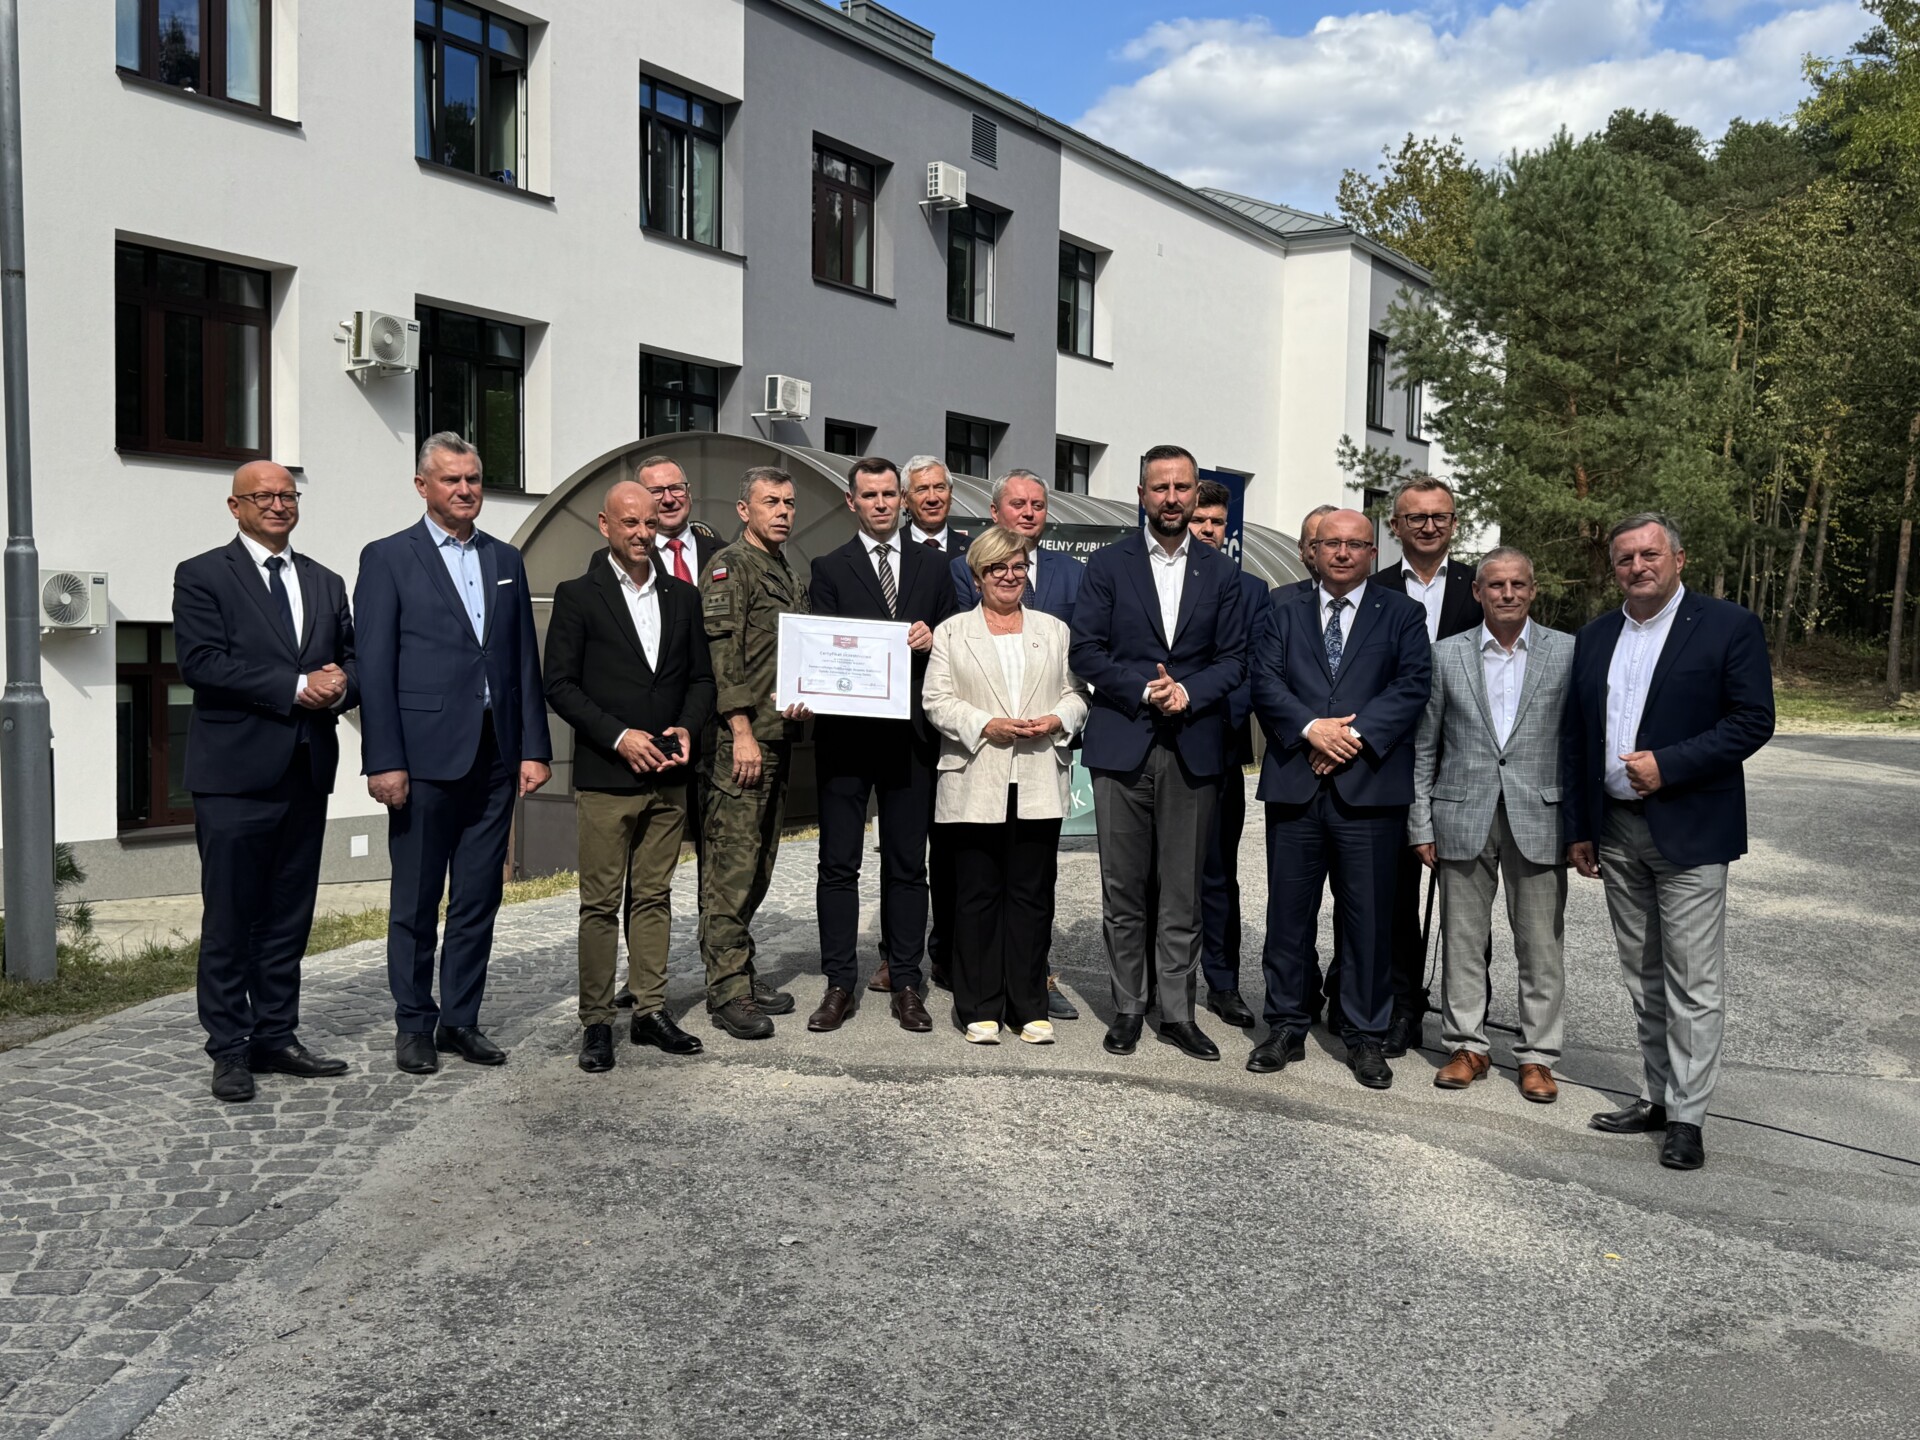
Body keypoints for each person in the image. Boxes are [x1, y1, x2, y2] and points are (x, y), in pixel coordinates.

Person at [1564, 512, 1774, 1171]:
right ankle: (1656, 1096)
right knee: (1643, 974)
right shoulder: (1596, 636)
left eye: (1649, 555)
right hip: (1616, 831)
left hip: (1690, 828)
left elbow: (1752, 721)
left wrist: (1670, 765)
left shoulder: (1728, 626)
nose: (1638, 567)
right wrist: (1580, 827)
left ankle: (1688, 1117)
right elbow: (1577, 735)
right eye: (1625, 558)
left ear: (1679, 560)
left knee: (1693, 980)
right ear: (1614, 569)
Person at [355, 433, 552, 1075]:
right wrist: (383, 760)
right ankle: (414, 1023)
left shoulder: (505, 557)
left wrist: (533, 747)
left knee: (477, 898)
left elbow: (521, 659)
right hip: (421, 761)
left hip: (495, 756)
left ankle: (460, 1020)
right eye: (451, 480)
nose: (465, 490)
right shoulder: (388, 558)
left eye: (473, 479)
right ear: (423, 487)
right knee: (416, 902)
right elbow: (374, 668)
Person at [172, 462, 357, 1103]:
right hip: (233, 777)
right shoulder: (202, 575)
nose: (279, 505)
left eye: (287, 494)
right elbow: (200, 663)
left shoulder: (325, 580)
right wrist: (296, 686)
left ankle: (276, 1035)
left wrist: (341, 685)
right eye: (264, 496)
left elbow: (352, 660)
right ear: (235, 506)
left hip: (305, 771)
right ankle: (229, 1048)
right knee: (231, 917)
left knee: (287, 917)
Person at [1069, 444, 1247, 1063]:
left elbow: (1234, 659)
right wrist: (1147, 689)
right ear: (1141, 494)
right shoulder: (1107, 565)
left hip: (1193, 745)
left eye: (1182, 487)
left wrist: (1188, 692)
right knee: (1122, 889)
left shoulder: (1222, 572)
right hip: (1123, 740)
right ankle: (1128, 1007)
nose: (1171, 498)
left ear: (1197, 494)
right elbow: (1086, 651)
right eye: (1160, 487)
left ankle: (1177, 1013)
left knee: (1182, 892)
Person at [1248, 508, 1430, 1088]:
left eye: (1356, 544)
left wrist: (1350, 737)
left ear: (1373, 552)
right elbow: (1264, 681)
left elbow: (1411, 685)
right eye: (1333, 543)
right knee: (1288, 915)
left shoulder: (1402, 613)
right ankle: (1285, 1025)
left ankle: (1365, 1036)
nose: (1344, 553)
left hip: (1369, 790)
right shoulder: (1281, 607)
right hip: (1296, 787)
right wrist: (1311, 730)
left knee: (1369, 921)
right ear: (1314, 550)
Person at [544, 481, 716, 1073]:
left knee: (654, 897)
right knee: (599, 904)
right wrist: (620, 736)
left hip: (668, 775)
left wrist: (688, 728)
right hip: (606, 777)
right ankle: (597, 1022)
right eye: (630, 523)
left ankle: (650, 1010)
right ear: (605, 525)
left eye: (650, 523)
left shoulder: (682, 596)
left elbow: (701, 679)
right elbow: (559, 684)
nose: (643, 533)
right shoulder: (577, 595)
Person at [1408, 547, 1572, 1102]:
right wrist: (1420, 822)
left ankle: (1537, 1056)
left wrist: (1580, 826)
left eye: (1518, 584)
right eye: (1496, 585)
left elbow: (1577, 744)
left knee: (1540, 946)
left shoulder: (1567, 652)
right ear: (1477, 592)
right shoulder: (1445, 655)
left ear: (1533, 590)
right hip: (1461, 813)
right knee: (1462, 940)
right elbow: (1425, 746)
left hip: (1541, 817)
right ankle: (1466, 1046)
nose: (1507, 593)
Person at [807, 457, 957, 1033]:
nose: (881, 504)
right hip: (845, 738)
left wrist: (934, 636)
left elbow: (957, 638)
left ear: (903, 500)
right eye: (869, 495)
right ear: (852, 502)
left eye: (890, 494)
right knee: (838, 865)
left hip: (912, 738)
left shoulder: (935, 566)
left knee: (907, 865)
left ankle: (907, 982)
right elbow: (822, 648)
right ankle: (839, 983)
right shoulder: (828, 568)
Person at [923, 526, 1089, 1044]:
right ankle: (978, 1006)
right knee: (976, 894)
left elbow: (1077, 694)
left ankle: (1028, 1004)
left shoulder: (1053, 630)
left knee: (1032, 895)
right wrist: (984, 724)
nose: (1010, 576)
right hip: (976, 774)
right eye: (998, 568)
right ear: (978, 577)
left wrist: (1059, 720)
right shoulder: (952, 632)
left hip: (1038, 774)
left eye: (1018, 567)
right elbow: (936, 701)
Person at [696, 468, 812, 1039]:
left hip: (778, 736)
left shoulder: (787, 570)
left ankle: (739, 967)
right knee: (731, 868)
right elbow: (724, 656)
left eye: (789, 502)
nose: (783, 511)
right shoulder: (730, 566)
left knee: (760, 865)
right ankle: (727, 992)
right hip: (740, 744)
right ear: (744, 510)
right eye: (771, 502)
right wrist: (740, 729)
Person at [1372, 475, 1482, 1056]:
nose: (1429, 526)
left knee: (1466, 899)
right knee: (1394, 897)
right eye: (1416, 517)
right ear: (1396, 526)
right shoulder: (1374, 587)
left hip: (1467, 761)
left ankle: (1469, 1019)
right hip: (1392, 758)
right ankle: (1402, 1007)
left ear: (1454, 522)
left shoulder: (1482, 586)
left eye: (1440, 516)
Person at [613, 453, 720, 1013]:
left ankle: (724, 972)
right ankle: (642, 978)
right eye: (656, 492)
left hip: (711, 729)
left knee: (719, 859)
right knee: (645, 872)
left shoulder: (720, 550)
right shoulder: (619, 560)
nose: (668, 499)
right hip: (650, 739)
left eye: (676, 488)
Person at [1189, 480, 1272, 1030]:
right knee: (1157, 875)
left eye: (1216, 522)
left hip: (1218, 745)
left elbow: (1254, 670)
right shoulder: (1152, 579)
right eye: (1199, 520)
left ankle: (1222, 984)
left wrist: (1204, 713)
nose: (1207, 529)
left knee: (1218, 874)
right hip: (1158, 744)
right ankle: (1158, 983)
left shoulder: (1251, 589)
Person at [902, 455, 971, 555]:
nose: (932, 498)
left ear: (950, 494)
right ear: (904, 498)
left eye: (940, 488)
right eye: (922, 489)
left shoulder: (974, 551)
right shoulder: (889, 549)